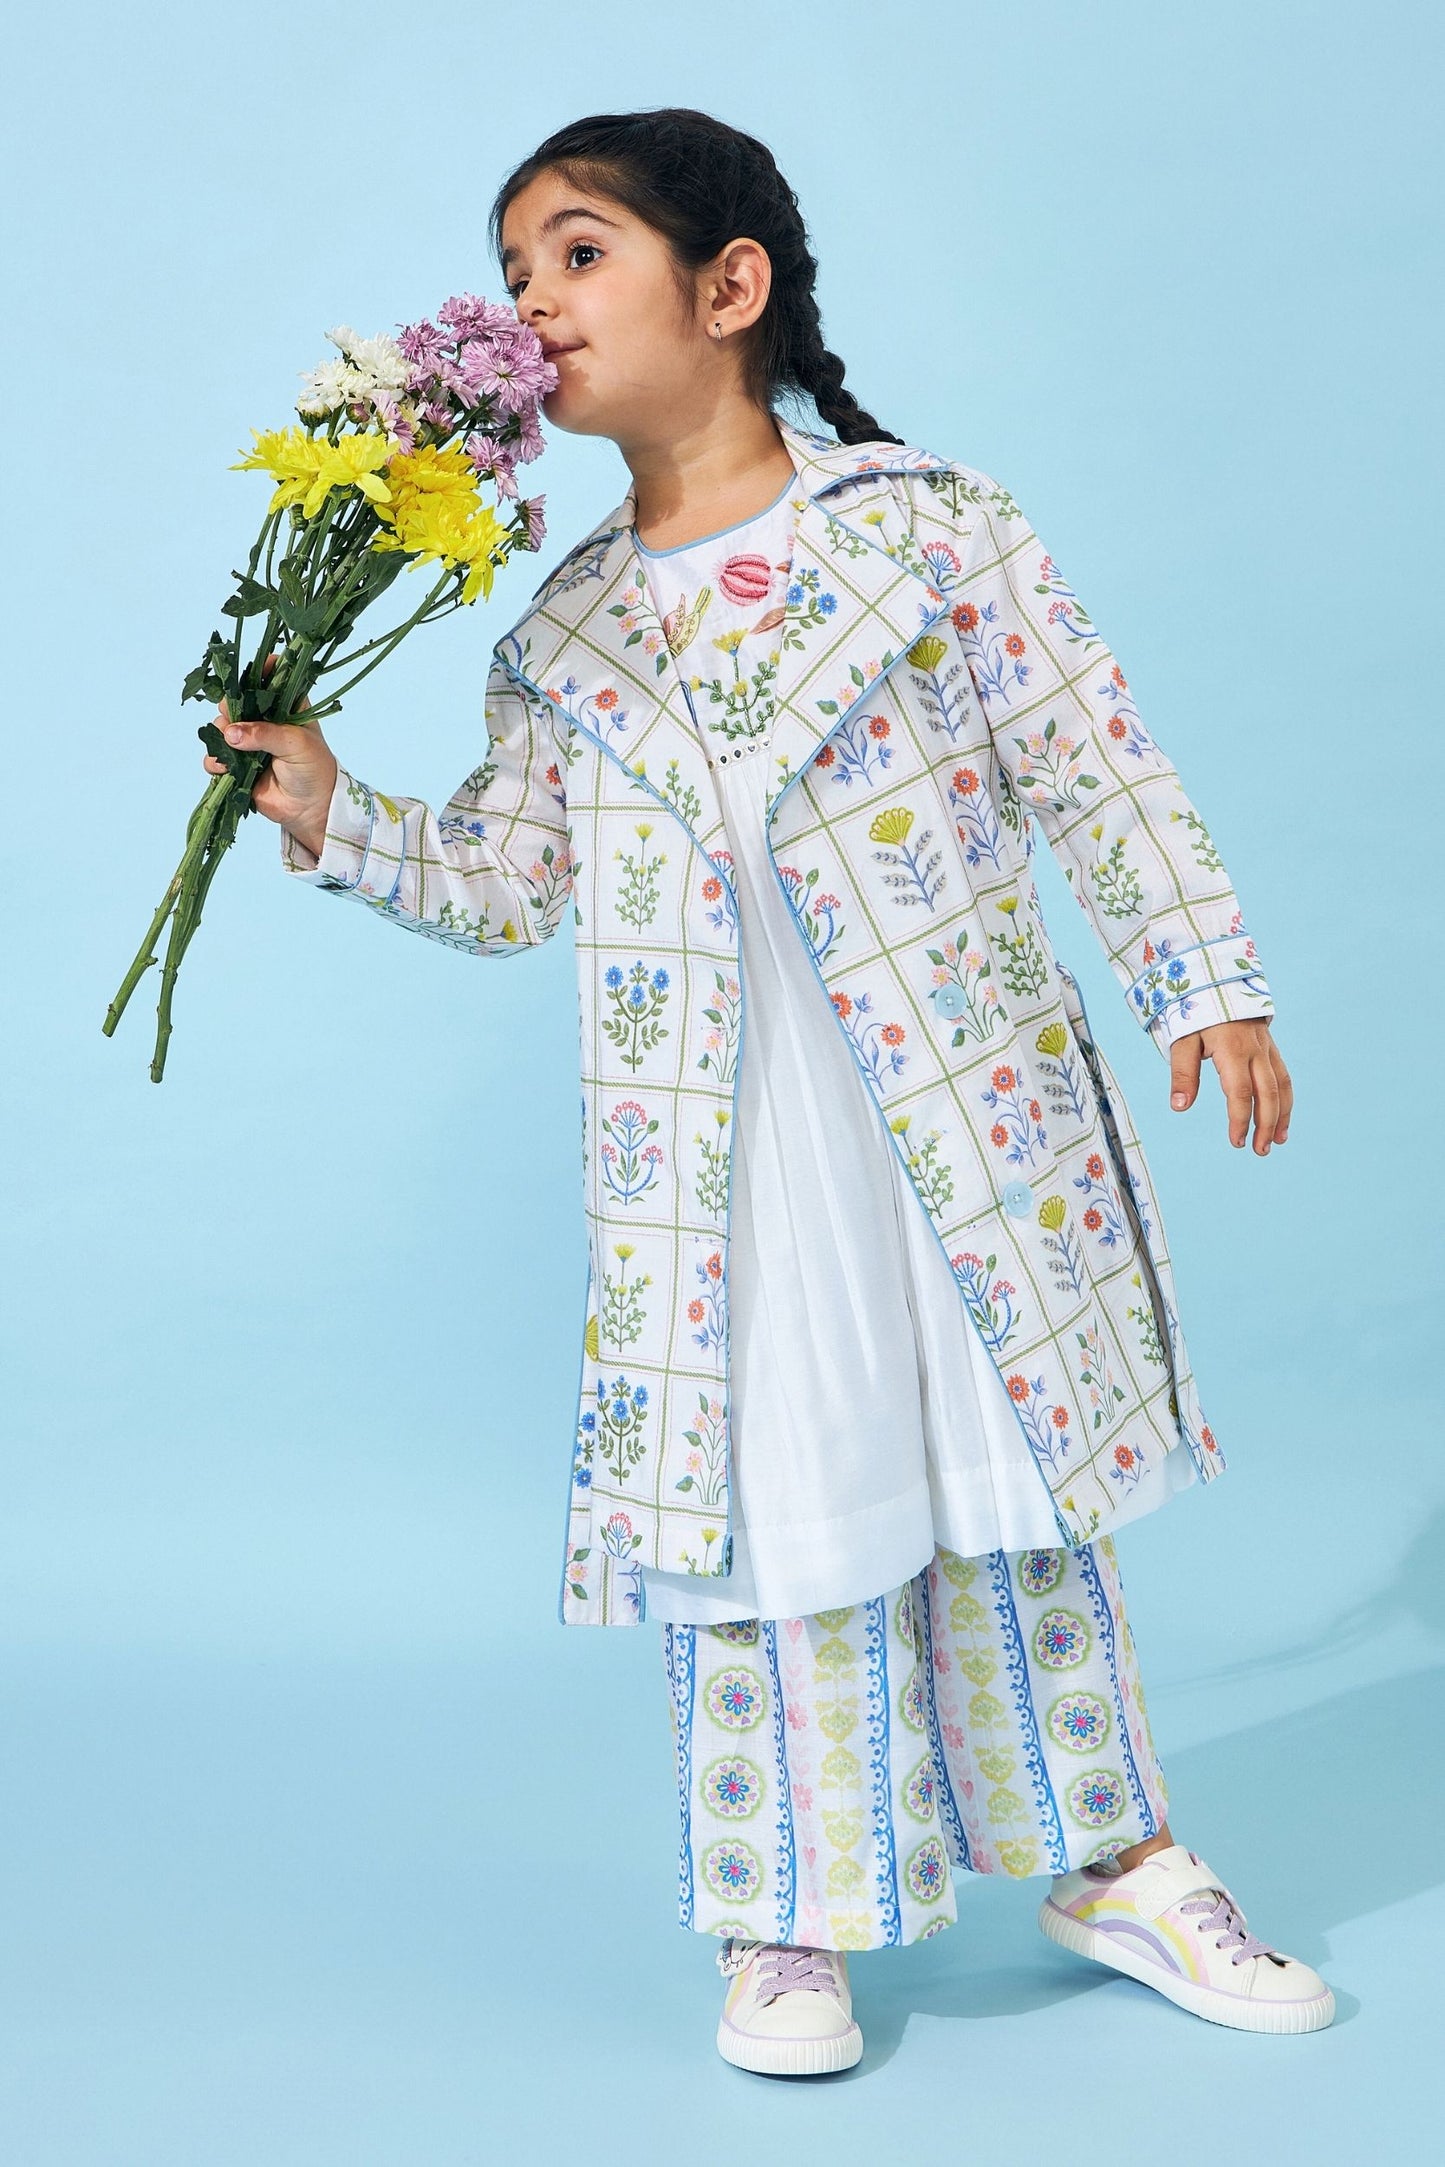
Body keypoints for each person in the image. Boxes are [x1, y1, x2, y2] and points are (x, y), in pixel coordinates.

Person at [204, 107, 1335, 2076]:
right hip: (720, 1170)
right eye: (515, 269)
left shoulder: (926, 529)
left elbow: (1094, 761)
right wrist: (335, 813)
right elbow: (511, 884)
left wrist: (1202, 979)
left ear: (729, 287)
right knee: (766, 1498)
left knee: (1010, 1479)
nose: (532, 303)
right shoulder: (560, 633)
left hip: (960, 1128)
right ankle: (786, 1911)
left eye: (579, 254)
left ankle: (1116, 1858)